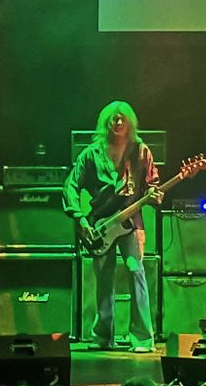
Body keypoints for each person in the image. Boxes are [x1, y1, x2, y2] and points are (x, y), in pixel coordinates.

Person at [62, 101, 161, 353]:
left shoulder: (140, 152)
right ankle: (103, 336)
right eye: (113, 119)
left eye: (122, 119)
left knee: (135, 269)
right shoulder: (91, 153)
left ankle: (142, 338)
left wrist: (154, 194)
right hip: (100, 226)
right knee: (104, 279)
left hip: (131, 222)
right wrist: (80, 218)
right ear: (105, 122)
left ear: (130, 122)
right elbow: (70, 186)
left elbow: (152, 184)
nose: (117, 123)